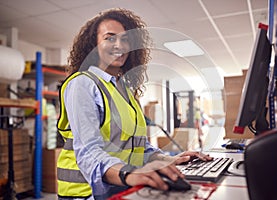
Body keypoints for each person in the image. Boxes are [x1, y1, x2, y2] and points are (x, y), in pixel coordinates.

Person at [57, 8, 212, 200]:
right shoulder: (82, 83)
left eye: (125, 39)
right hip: (85, 192)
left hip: (118, 186)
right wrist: (129, 174)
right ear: (93, 45)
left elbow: (139, 147)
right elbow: (88, 151)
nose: (119, 45)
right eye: (110, 38)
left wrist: (170, 159)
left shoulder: (125, 91)